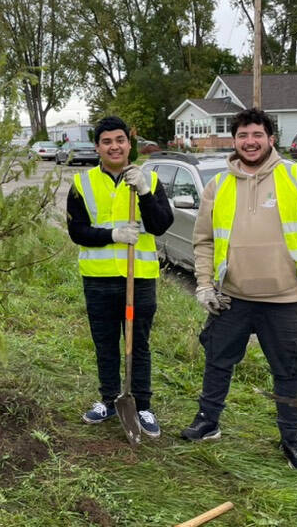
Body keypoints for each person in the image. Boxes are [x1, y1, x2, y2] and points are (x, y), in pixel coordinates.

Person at [181, 107, 297, 472]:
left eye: (257, 135)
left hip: (285, 299)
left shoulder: (295, 176)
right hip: (231, 297)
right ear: (234, 141)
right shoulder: (218, 186)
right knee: (217, 361)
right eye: (243, 136)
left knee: (288, 371)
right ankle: (208, 421)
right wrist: (205, 285)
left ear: (271, 139)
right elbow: (203, 240)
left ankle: (292, 439)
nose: (250, 142)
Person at [66, 116, 174, 437]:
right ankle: (109, 399)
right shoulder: (82, 184)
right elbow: (77, 231)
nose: (115, 146)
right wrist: (113, 234)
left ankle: (142, 404)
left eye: (120, 140)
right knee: (105, 343)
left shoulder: (149, 180)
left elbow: (160, 224)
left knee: (137, 343)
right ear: (98, 147)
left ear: (129, 143)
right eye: (107, 142)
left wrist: (143, 192)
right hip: (98, 279)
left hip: (138, 278)